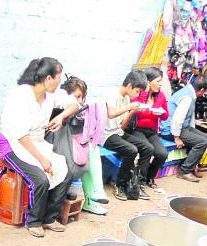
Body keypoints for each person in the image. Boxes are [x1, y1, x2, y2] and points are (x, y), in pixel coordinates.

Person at [0, 57, 81, 238]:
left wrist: (60, 117)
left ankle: (49, 218)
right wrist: (42, 160)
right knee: (41, 179)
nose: (61, 81)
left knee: (65, 172)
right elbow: (20, 135)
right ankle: (33, 221)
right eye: (58, 76)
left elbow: (74, 103)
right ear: (48, 78)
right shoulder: (21, 96)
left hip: (36, 142)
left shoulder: (52, 95)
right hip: (14, 143)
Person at [58, 75, 108, 216]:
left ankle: (94, 196)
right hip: (61, 145)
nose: (80, 101)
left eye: (82, 97)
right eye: (77, 97)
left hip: (73, 145)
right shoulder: (60, 106)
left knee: (91, 149)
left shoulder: (80, 110)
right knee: (88, 152)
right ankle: (94, 195)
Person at [102, 69, 148, 200]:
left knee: (147, 147)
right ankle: (120, 185)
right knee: (131, 150)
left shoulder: (127, 98)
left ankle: (137, 184)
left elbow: (121, 126)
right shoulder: (112, 94)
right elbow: (111, 114)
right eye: (137, 91)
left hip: (117, 132)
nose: (137, 94)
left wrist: (133, 112)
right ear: (129, 86)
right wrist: (129, 107)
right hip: (106, 135)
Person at [125, 66, 169, 192]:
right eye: (158, 81)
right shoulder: (140, 94)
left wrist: (159, 113)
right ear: (148, 81)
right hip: (137, 129)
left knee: (162, 154)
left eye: (161, 81)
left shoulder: (160, 96)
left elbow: (166, 115)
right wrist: (146, 92)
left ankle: (150, 177)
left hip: (152, 131)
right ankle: (140, 181)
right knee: (148, 149)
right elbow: (135, 109)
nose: (160, 84)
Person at [161, 73, 207, 183]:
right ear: (202, 89)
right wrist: (176, 138)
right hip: (170, 129)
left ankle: (192, 166)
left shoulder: (189, 92)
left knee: (205, 137)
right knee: (201, 141)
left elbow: (188, 117)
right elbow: (177, 119)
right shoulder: (187, 97)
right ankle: (185, 171)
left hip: (181, 127)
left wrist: (193, 131)